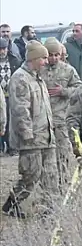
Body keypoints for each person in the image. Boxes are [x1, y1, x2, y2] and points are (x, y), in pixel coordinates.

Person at [3, 41, 56, 218]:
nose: (46, 61)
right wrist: (27, 134)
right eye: (43, 58)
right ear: (33, 58)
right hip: (32, 139)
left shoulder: (37, 77)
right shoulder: (20, 78)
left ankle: (51, 209)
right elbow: (20, 109)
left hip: (46, 136)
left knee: (51, 175)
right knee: (31, 175)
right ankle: (13, 204)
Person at [41, 38, 82, 180]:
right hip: (42, 120)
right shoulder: (39, 69)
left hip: (61, 119)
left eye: (56, 55)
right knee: (45, 156)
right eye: (50, 55)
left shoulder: (68, 70)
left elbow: (79, 89)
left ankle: (63, 181)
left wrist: (63, 91)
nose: (53, 58)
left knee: (63, 154)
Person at [1, 37, 21, 153]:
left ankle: (11, 146)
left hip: (11, 94)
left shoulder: (14, 61)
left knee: (11, 121)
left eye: (4, 48)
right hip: (0, 96)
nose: (2, 51)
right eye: (0, 49)